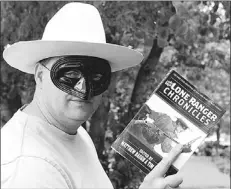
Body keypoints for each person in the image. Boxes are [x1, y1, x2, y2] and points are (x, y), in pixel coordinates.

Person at [1, 2, 184, 189]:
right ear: (40, 75)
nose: (84, 89)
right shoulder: (30, 168)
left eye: (97, 77)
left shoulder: (76, 133)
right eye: (71, 75)